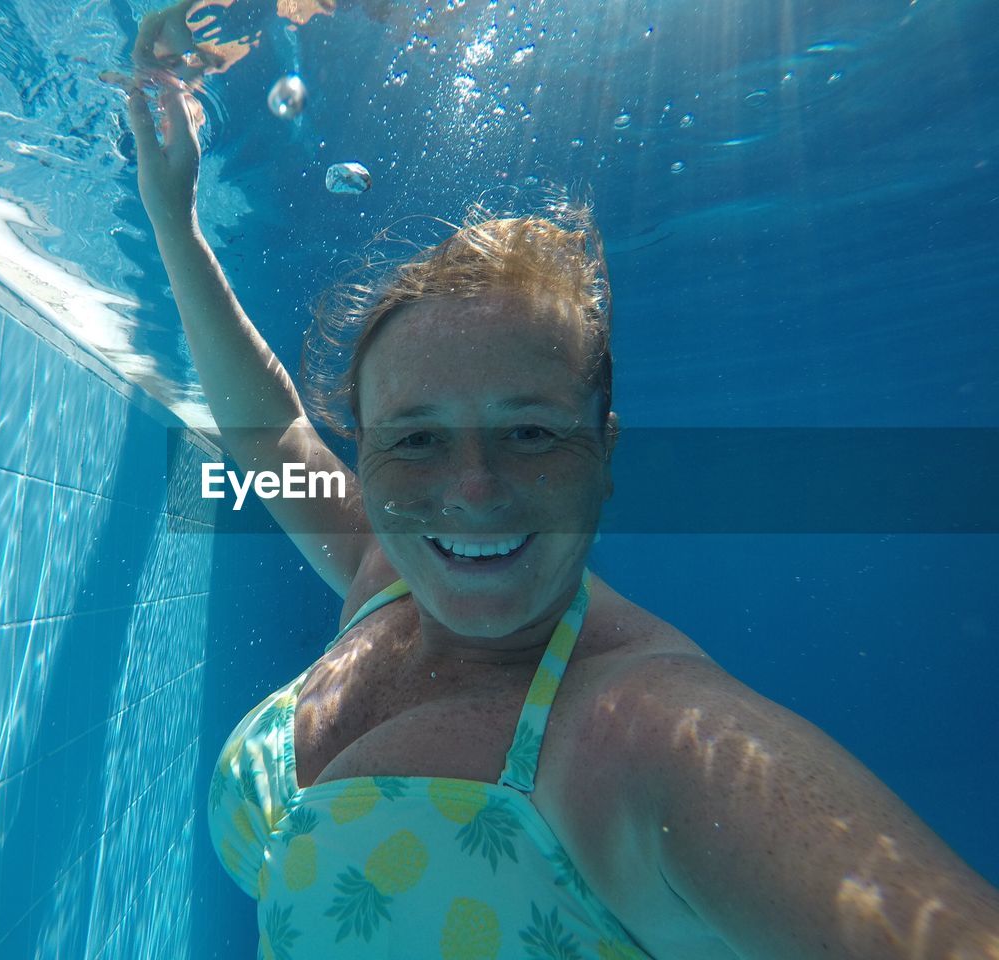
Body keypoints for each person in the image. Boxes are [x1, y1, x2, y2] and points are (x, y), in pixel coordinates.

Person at [116, 38, 999, 960]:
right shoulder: (383, 569)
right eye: (415, 439)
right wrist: (173, 218)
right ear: (369, 457)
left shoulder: (651, 737)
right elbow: (275, 436)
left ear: (604, 453)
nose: (471, 491)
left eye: (529, 432)